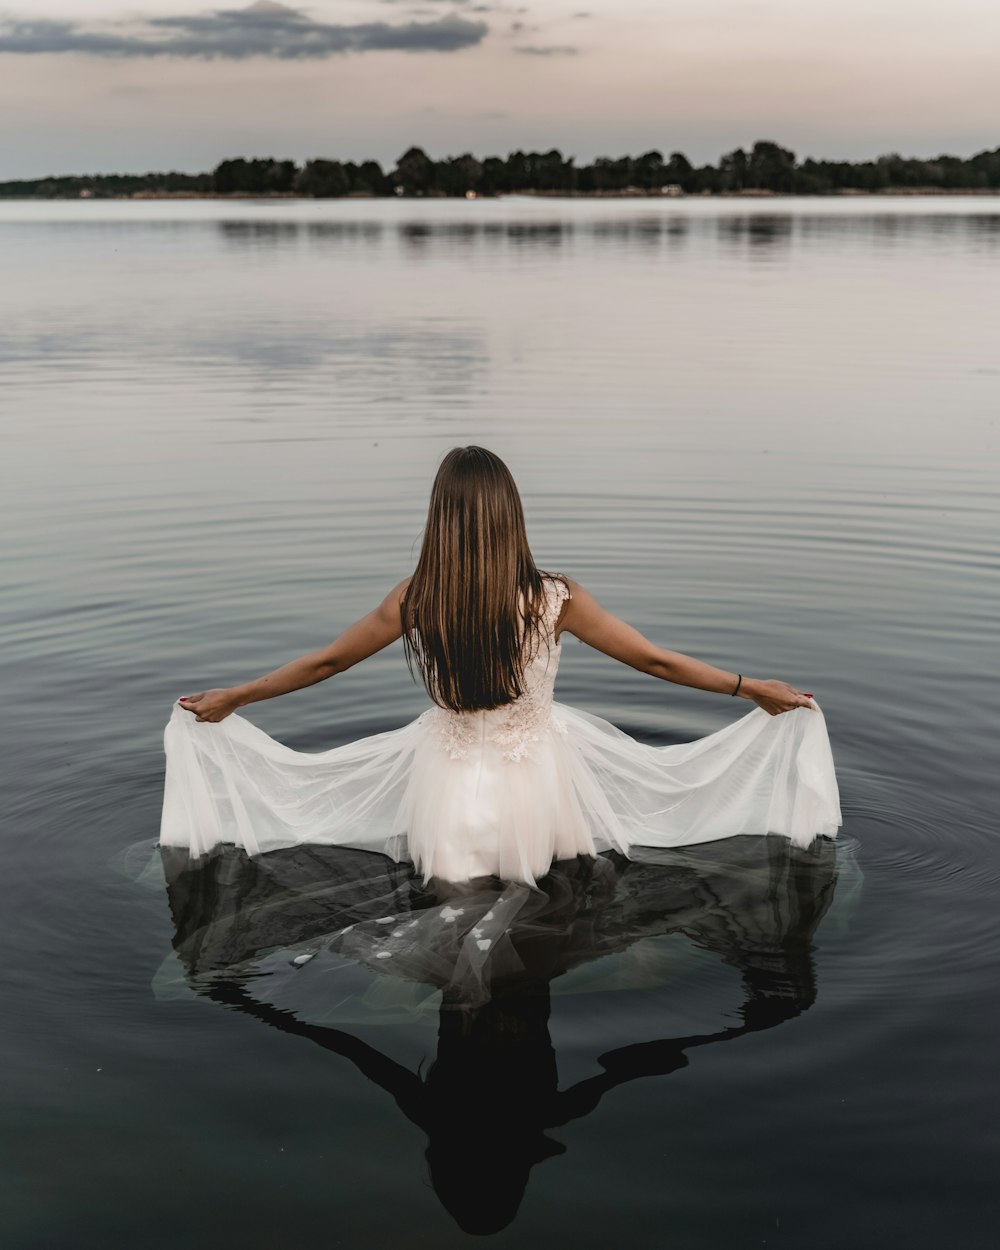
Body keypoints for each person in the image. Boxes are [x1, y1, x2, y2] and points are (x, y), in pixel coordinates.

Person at [162, 445, 840, 886]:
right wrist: (752, 689)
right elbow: (655, 662)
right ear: (510, 516)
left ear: (440, 519)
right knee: (537, 913)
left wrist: (237, 696)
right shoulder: (555, 600)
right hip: (537, 783)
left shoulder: (416, 599)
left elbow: (326, 664)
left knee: (455, 908)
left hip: (447, 785)